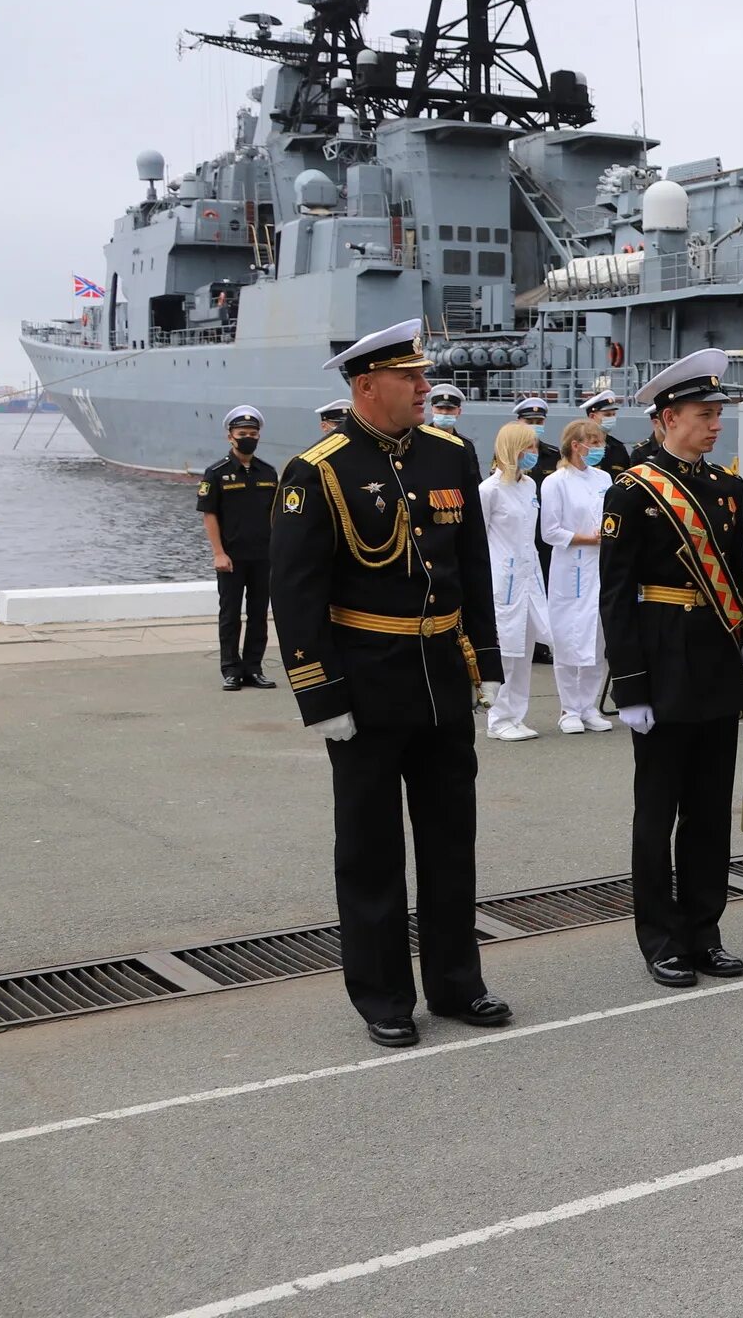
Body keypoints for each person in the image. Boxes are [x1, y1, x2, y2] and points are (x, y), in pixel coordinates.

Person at [270, 319, 510, 1048]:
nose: (423, 387)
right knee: (371, 852)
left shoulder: (450, 453)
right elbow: (296, 594)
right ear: (365, 385)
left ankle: (457, 984)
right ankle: (381, 996)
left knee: (450, 841)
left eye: (422, 375)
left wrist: (488, 662)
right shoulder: (319, 470)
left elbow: (472, 568)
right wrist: (320, 696)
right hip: (367, 687)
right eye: (409, 378)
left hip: (441, 675)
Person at [600, 349, 743, 987]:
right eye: (704, 414)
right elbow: (616, 595)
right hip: (664, 658)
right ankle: (662, 938)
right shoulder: (633, 491)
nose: (716, 424)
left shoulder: (727, 487)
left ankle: (705, 930)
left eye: (718, 413)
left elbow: (736, 572)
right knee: (658, 809)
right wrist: (630, 684)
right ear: (668, 417)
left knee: (709, 808)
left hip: (717, 655)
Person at [540, 418, 616, 733]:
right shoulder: (556, 481)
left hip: (601, 565)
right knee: (569, 637)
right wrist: (588, 538)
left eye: (601, 443)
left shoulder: (604, 479)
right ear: (576, 445)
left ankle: (588, 706)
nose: (599, 449)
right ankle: (569, 708)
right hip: (571, 564)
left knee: (597, 636)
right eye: (594, 443)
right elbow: (550, 531)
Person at [478, 421, 551, 740]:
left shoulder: (529, 486)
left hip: (529, 575)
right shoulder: (489, 490)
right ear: (512, 449)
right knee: (505, 650)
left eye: (535, 447)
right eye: (528, 447)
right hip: (502, 578)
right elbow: (477, 539)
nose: (533, 453)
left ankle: (516, 714)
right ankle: (497, 718)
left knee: (525, 649)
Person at [199, 405, 276, 692]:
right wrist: (218, 552)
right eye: (242, 433)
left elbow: (275, 515)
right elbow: (209, 515)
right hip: (231, 557)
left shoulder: (268, 472)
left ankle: (253, 667)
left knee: (259, 615)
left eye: (253, 434)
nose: (248, 438)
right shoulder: (216, 473)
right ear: (229, 437)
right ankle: (231, 669)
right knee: (230, 614)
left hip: (262, 556)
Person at [584, 391, 633, 470]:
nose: (612, 418)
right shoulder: (581, 446)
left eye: (614, 414)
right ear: (592, 416)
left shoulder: (618, 448)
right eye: (607, 415)